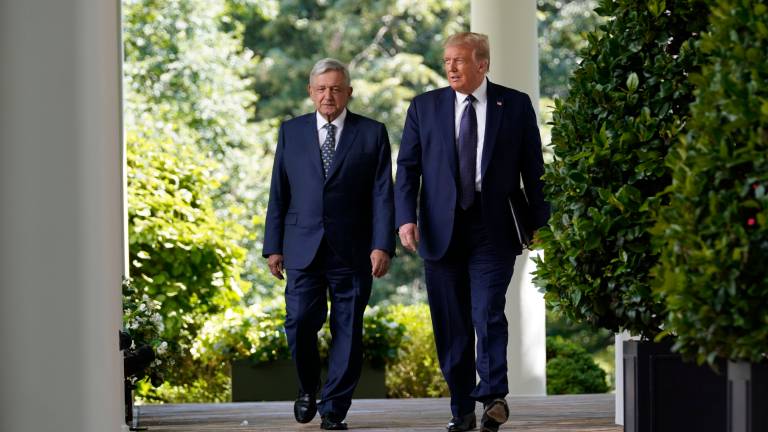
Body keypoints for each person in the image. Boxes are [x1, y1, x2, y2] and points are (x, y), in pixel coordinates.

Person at [394, 32, 550, 432]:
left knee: (487, 311)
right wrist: (405, 218)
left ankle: (494, 396)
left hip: (492, 226)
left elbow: (533, 168)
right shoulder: (424, 107)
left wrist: (540, 223)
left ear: (482, 64)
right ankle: (462, 408)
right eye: (447, 60)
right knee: (452, 324)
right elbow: (407, 168)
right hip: (439, 228)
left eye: (459, 60)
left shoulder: (514, 105)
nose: (451, 67)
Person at [263, 58, 395, 431]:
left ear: (348, 92)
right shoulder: (291, 132)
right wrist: (273, 246)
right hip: (301, 246)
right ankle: (308, 387)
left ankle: (334, 408)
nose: (328, 96)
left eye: (336, 89)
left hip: (354, 250)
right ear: (310, 92)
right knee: (299, 322)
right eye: (321, 89)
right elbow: (278, 192)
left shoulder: (372, 133)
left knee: (348, 330)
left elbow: (382, 194)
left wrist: (382, 245)